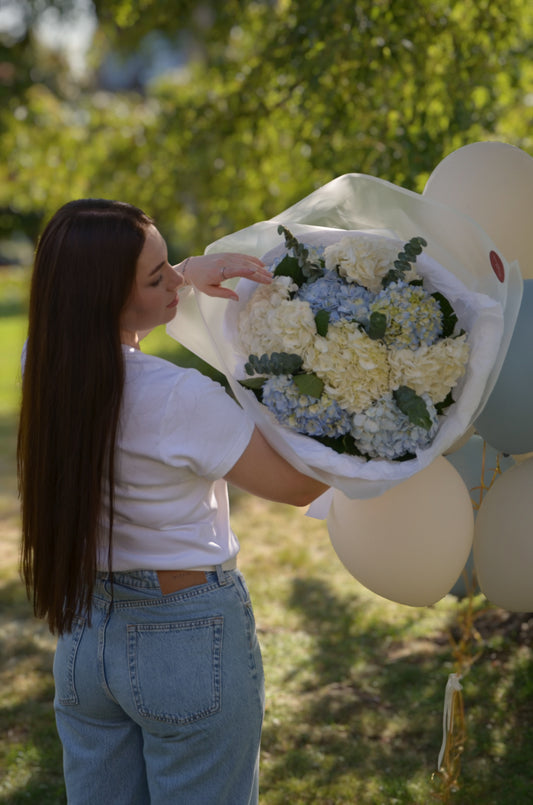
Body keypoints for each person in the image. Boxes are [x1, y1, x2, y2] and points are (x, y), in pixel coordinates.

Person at [17, 198, 328, 805]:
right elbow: (301, 487)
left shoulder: (45, 364)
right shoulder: (177, 397)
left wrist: (185, 272)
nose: (176, 283)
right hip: (185, 638)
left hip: (85, 636)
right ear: (107, 294)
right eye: (158, 277)